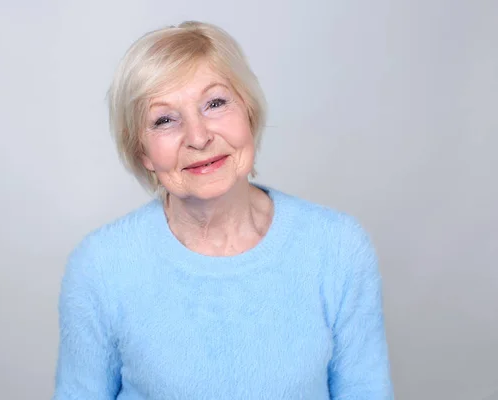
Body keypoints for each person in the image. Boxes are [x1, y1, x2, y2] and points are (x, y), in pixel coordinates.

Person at [52, 21, 393, 399]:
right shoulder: (100, 266)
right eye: (164, 120)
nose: (198, 137)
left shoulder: (339, 249)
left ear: (248, 110)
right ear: (143, 153)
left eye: (215, 103)